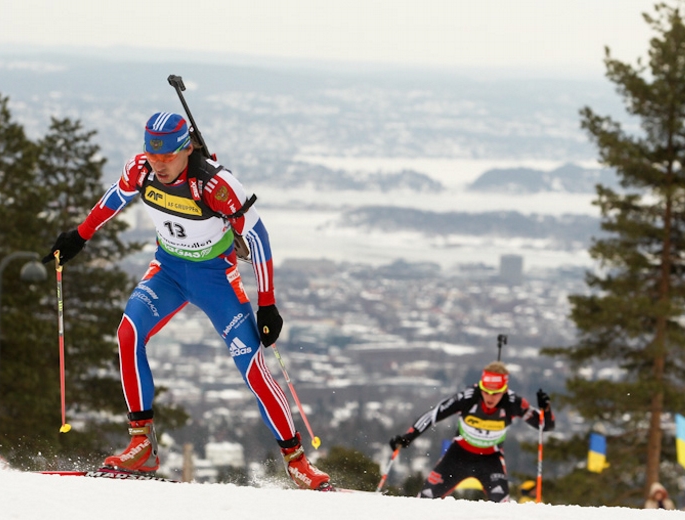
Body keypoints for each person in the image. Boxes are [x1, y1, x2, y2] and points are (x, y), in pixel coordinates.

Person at [43, 111, 332, 491]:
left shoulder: (215, 184)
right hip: (168, 271)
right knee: (128, 333)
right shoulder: (141, 169)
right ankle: (141, 443)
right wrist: (79, 236)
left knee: (252, 366)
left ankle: (296, 462)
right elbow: (116, 196)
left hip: (215, 279)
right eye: (152, 156)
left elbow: (258, 237)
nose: (159, 165)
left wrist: (267, 303)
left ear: (187, 148)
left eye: (167, 157)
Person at [388, 361, 555, 502]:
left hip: (490, 459)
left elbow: (545, 425)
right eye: (486, 391)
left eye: (495, 393)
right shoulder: (468, 397)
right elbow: (434, 414)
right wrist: (407, 438)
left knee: (502, 507)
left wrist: (545, 409)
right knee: (426, 498)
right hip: (458, 455)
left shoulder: (513, 402)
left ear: (504, 390)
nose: (490, 397)